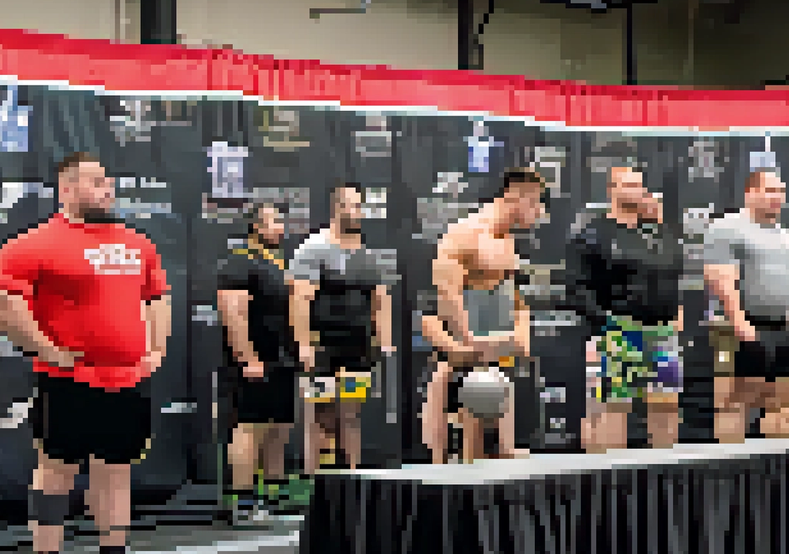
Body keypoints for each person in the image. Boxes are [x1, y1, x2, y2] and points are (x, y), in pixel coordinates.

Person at [0, 152, 172, 554]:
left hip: (127, 380)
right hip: (67, 380)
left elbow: (156, 297)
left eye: (107, 182)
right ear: (65, 189)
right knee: (56, 472)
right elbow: (2, 304)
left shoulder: (137, 244)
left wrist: (155, 350)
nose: (105, 190)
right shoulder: (35, 243)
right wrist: (45, 349)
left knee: (116, 470)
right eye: (94, 183)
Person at [421, 168, 545, 463]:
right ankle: (444, 465)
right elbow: (447, 297)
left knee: (497, 378)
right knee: (455, 386)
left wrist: (522, 332)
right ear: (517, 197)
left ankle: (504, 447)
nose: (540, 212)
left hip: (495, 343)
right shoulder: (467, 235)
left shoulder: (507, 239)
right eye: (536, 202)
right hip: (459, 342)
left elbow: (514, 295)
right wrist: (466, 344)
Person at [568, 165, 684, 452]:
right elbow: (576, 288)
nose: (637, 191)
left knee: (666, 405)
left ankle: (665, 474)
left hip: (664, 334)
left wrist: (676, 311)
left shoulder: (661, 233)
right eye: (628, 185)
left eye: (639, 185)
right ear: (611, 190)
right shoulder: (594, 234)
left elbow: (673, 275)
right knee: (612, 405)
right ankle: (607, 481)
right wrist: (605, 324)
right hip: (620, 331)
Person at [288, 183, 395, 473]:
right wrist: (304, 346)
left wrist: (383, 343)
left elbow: (380, 299)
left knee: (350, 416)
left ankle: (351, 481)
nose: (357, 212)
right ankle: (316, 485)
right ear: (336, 208)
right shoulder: (313, 249)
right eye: (351, 205)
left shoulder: (367, 254)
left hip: (357, 348)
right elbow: (300, 299)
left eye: (360, 206)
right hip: (322, 347)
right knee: (319, 415)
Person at [703, 170, 789, 444]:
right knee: (738, 399)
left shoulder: (787, 236)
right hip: (743, 325)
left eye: (780, 192)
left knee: (783, 400)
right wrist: (739, 323)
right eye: (770, 191)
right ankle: (729, 466)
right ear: (750, 193)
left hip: (781, 327)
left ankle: (776, 468)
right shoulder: (726, 228)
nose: (777, 198)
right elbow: (720, 279)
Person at [217, 202, 296, 524]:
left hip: (281, 359)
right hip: (255, 359)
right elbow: (232, 312)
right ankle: (243, 502)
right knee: (249, 427)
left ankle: (271, 499)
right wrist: (247, 357)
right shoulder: (239, 263)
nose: (281, 228)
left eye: (281, 221)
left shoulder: (276, 263)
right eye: (274, 222)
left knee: (278, 428)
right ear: (256, 227)